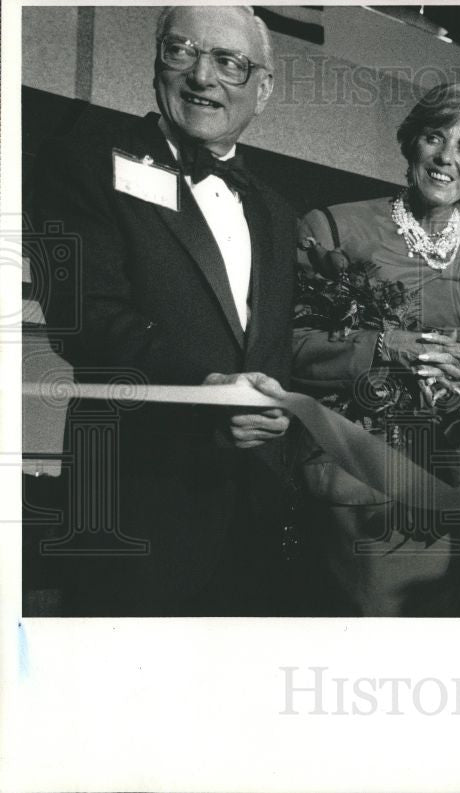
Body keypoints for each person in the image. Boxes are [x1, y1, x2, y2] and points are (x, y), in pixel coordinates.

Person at [29, 6, 299, 616]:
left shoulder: (278, 212)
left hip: (251, 522)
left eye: (229, 62)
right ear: (157, 64)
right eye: (182, 51)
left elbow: (273, 350)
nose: (203, 77)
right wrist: (204, 389)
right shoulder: (83, 161)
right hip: (135, 509)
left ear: (264, 89)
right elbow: (85, 317)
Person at [291, 83, 460, 617]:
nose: (446, 158)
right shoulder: (335, 227)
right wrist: (385, 347)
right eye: (434, 138)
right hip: (358, 483)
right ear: (410, 143)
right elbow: (291, 346)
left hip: (452, 485)